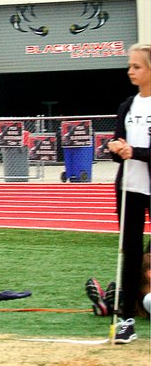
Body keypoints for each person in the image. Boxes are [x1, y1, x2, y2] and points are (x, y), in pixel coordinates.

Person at [105, 42, 151, 344]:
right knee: (130, 254)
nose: (130, 71)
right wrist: (115, 148)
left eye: (137, 66)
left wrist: (135, 151)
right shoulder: (128, 105)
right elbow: (117, 145)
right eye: (130, 65)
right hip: (130, 189)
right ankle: (126, 319)